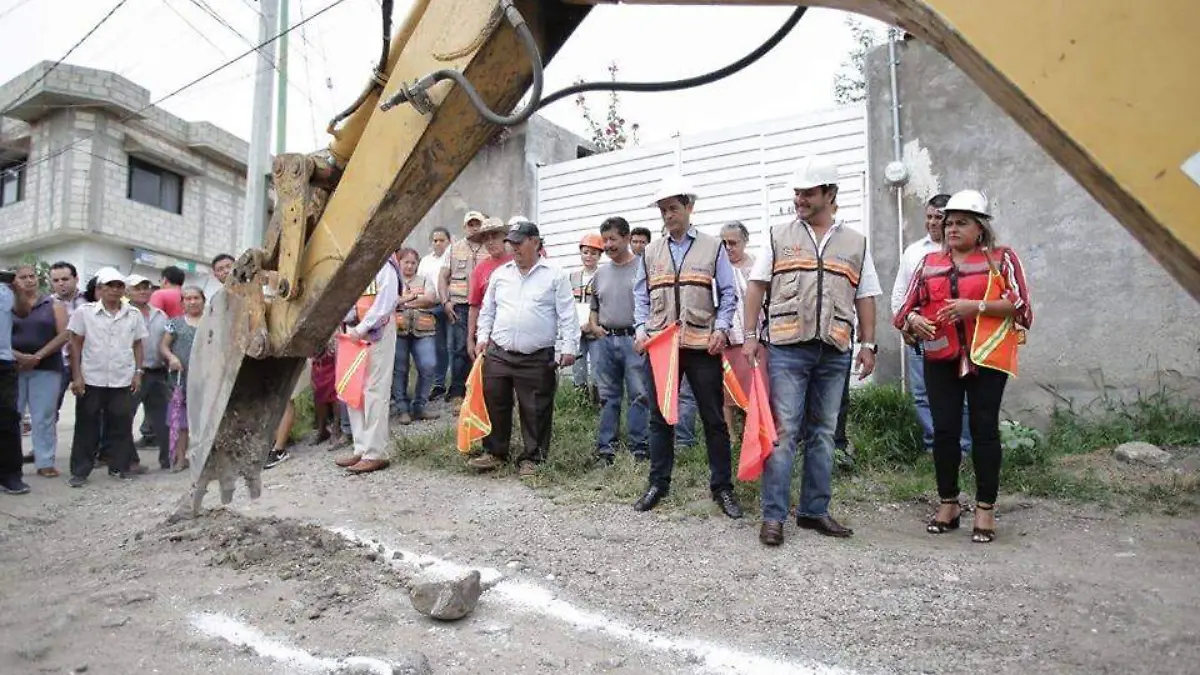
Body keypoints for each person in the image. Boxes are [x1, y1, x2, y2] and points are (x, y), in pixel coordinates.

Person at [743, 155, 882, 544]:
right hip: (788, 347)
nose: (800, 199)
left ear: (830, 194)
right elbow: (756, 286)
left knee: (823, 433)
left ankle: (814, 512)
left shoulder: (855, 242)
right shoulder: (778, 235)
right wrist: (750, 334)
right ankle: (773, 516)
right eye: (797, 193)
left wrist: (868, 345)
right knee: (785, 433)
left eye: (808, 193)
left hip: (835, 349)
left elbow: (866, 295)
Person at [894, 189, 1032, 544]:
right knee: (944, 431)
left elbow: (1022, 307)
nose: (951, 228)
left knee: (984, 429)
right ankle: (949, 503)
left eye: (961, 223)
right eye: (948, 222)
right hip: (942, 357)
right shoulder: (928, 264)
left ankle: (985, 507)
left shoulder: (1001, 260)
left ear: (980, 228)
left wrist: (976, 307)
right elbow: (903, 309)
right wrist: (913, 321)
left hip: (987, 357)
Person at [631, 176, 743, 519]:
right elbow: (640, 294)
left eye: (674, 208)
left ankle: (722, 488)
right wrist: (640, 329)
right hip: (662, 346)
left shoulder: (712, 247)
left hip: (701, 344)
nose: (668, 215)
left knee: (713, 419)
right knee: (660, 418)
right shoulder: (651, 252)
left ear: (689, 208)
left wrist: (722, 328)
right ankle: (658, 484)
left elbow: (729, 293)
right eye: (663, 210)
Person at [470, 219, 578, 476]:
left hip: (536, 356)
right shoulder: (501, 274)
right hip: (498, 352)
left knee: (536, 408)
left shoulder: (555, 274)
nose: (514, 249)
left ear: (535, 243)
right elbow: (488, 311)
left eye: (519, 243)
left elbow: (567, 314)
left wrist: (569, 346)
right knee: (495, 401)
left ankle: (533, 457)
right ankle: (495, 452)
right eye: (511, 244)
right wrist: (482, 336)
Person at [891, 194, 972, 455]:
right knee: (922, 394)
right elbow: (900, 294)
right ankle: (936, 447)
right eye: (929, 217)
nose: (932, 222)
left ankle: (964, 448)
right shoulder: (914, 252)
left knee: (963, 395)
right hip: (922, 336)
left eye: (939, 217)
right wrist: (908, 323)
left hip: (960, 338)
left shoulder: (967, 252)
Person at [66, 268, 148, 487]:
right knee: (87, 426)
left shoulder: (133, 314)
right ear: (99, 289)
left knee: (120, 425)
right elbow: (75, 344)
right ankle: (80, 472)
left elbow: (138, 344)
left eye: (119, 286)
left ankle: (119, 467)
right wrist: (77, 376)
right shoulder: (85, 312)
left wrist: (138, 373)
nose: (114, 290)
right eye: (109, 285)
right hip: (91, 378)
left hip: (122, 378)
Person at [589, 217, 649, 465]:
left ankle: (640, 448)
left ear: (626, 238)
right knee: (607, 396)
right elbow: (594, 307)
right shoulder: (601, 273)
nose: (608, 245)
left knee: (639, 394)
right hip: (605, 342)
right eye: (605, 240)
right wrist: (594, 326)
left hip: (633, 341)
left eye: (613, 239)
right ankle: (606, 449)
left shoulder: (642, 269)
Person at [333, 255, 401, 474]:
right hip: (355, 332)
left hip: (375, 332)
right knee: (355, 390)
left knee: (374, 390)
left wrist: (360, 329)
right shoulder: (359, 263)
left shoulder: (386, 266)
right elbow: (353, 301)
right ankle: (361, 447)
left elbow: (384, 304)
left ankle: (375, 452)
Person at [11, 265, 69, 478]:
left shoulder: (53, 304)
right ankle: (11, 463)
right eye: (22, 277)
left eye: (32, 276)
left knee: (44, 416)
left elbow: (64, 335)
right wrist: (19, 356)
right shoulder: (6, 304)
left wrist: (38, 356)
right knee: (11, 416)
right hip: (12, 368)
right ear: (14, 281)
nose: (28, 280)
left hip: (47, 367)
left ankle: (45, 461)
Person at [440, 211, 488, 408]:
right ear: (465, 227)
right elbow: (442, 277)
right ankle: (458, 393)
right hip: (459, 306)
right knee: (460, 349)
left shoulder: (490, 248)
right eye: (470, 224)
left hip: (485, 307)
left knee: (484, 348)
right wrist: (445, 302)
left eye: (477, 224)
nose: (474, 227)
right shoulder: (453, 249)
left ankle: (480, 393)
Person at [126, 274, 173, 470]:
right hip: (132, 374)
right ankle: (129, 461)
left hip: (158, 372)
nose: (143, 291)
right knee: (125, 417)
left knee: (164, 419)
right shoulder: (123, 313)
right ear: (127, 291)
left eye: (146, 287)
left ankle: (169, 459)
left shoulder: (160, 315)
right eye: (138, 288)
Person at [391, 248, 441, 424]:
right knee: (399, 370)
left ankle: (419, 406)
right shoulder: (393, 280)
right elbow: (390, 300)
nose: (410, 266)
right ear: (399, 262)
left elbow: (431, 299)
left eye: (413, 262)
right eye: (406, 262)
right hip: (399, 332)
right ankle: (402, 409)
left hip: (423, 331)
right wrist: (414, 299)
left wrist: (405, 302)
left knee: (428, 365)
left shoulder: (425, 280)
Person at [718, 221, 758, 433]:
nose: (728, 248)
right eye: (723, 243)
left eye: (733, 243)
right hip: (728, 336)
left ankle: (753, 431)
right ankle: (731, 436)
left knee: (753, 386)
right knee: (727, 388)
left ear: (745, 241)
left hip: (753, 337)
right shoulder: (718, 267)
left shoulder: (757, 266)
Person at [161, 286, 205, 472]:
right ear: (182, 303)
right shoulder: (175, 323)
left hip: (206, 378)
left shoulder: (212, 322)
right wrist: (171, 358)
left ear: (203, 300)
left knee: (205, 420)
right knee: (180, 422)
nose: (192, 302)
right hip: (180, 379)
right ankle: (180, 458)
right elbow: (163, 346)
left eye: (196, 298)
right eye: (188, 298)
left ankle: (204, 458)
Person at [1, 269, 36, 495]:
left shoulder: (5, 288)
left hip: (3, 362)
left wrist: (19, 290)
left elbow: (23, 311)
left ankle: (10, 475)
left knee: (7, 419)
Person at [465, 218, 512, 360]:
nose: (490, 242)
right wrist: (470, 339)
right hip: (489, 335)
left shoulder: (516, 263)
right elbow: (474, 306)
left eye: (495, 236)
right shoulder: (480, 269)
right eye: (486, 238)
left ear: (505, 238)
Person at [418, 227, 452, 400]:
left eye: (442, 240)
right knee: (438, 347)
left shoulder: (453, 257)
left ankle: (456, 386)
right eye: (435, 240)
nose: (438, 243)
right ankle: (439, 384)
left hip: (452, 306)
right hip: (433, 307)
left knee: (454, 345)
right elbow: (420, 283)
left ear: (449, 241)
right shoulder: (425, 261)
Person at [49, 261, 86, 417]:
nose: (61, 284)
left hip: (86, 363)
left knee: (89, 412)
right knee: (50, 410)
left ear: (76, 279)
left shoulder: (89, 300)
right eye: (56, 280)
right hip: (59, 363)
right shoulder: (47, 304)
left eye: (65, 279)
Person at [571, 233, 604, 403]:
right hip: (577, 329)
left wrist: (593, 324)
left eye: (593, 253)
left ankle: (598, 403)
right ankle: (581, 402)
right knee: (578, 366)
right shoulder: (573, 277)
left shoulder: (603, 275)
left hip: (594, 329)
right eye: (585, 252)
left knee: (598, 366)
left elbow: (606, 305)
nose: (588, 256)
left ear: (600, 255)